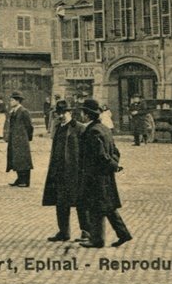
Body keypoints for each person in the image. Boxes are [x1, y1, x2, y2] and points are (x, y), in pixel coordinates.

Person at [77, 99, 132, 249]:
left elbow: (100, 155)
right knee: (107, 207)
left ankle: (97, 240)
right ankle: (123, 234)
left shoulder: (92, 132)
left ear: (87, 115)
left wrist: (112, 166)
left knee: (96, 207)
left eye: (83, 112)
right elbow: (115, 152)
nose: (81, 115)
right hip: (106, 176)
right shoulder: (104, 129)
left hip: (95, 176)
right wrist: (114, 165)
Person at [42, 99, 84, 242]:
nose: (61, 116)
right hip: (59, 171)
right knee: (61, 203)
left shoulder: (79, 128)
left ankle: (86, 231)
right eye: (58, 113)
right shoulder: (59, 128)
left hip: (75, 172)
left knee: (80, 203)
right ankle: (63, 232)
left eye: (64, 113)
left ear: (70, 112)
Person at [5, 91, 34, 187]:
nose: (10, 102)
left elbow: (29, 126)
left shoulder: (23, 111)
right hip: (14, 139)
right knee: (16, 159)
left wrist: (27, 138)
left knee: (23, 160)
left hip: (22, 139)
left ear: (18, 101)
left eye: (12, 100)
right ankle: (19, 178)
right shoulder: (13, 111)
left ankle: (25, 181)